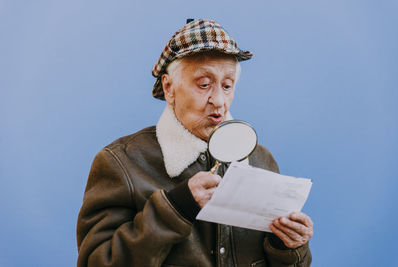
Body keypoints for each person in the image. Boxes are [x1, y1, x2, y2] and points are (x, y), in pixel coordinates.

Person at [77, 19, 313, 267]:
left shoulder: (260, 160)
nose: (219, 101)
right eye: (204, 84)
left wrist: (288, 248)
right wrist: (176, 207)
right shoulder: (121, 163)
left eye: (227, 85)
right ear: (169, 88)